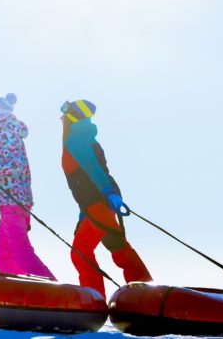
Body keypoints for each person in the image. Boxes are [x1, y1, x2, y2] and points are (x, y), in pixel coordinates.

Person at [60, 99, 152, 298]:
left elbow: (94, 170)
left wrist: (109, 193)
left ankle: (146, 294)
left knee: (116, 247)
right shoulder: (82, 137)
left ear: (72, 117)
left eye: (64, 114)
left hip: (100, 201)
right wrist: (83, 213)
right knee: (81, 252)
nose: (60, 118)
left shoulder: (76, 139)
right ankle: (94, 298)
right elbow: (83, 179)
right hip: (93, 204)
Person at [0, 93, 56, 280]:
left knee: (21, 253)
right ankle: (22, 292)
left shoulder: (5, 133)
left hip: (12, 201)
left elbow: (15, 165)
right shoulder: (5, 131)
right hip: (12, 202)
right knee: (2, 256)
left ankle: (50, 290)